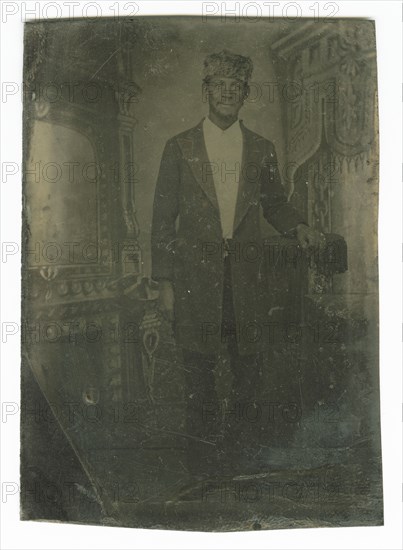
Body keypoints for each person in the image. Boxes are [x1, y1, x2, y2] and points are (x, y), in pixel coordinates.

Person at [151, 50, 324, 478]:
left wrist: (297, 226)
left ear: (245, 94)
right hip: (195, 280)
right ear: (205, 91)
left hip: (247, 278)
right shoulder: (179, 147)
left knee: (249, 369)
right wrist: (166, 284)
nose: (228, 93)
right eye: (219, 86)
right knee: (199, 371)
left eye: (237, 87)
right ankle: (202, 466)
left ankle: (241, 458)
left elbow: (275, 205)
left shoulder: (261, 149)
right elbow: (161, 220)